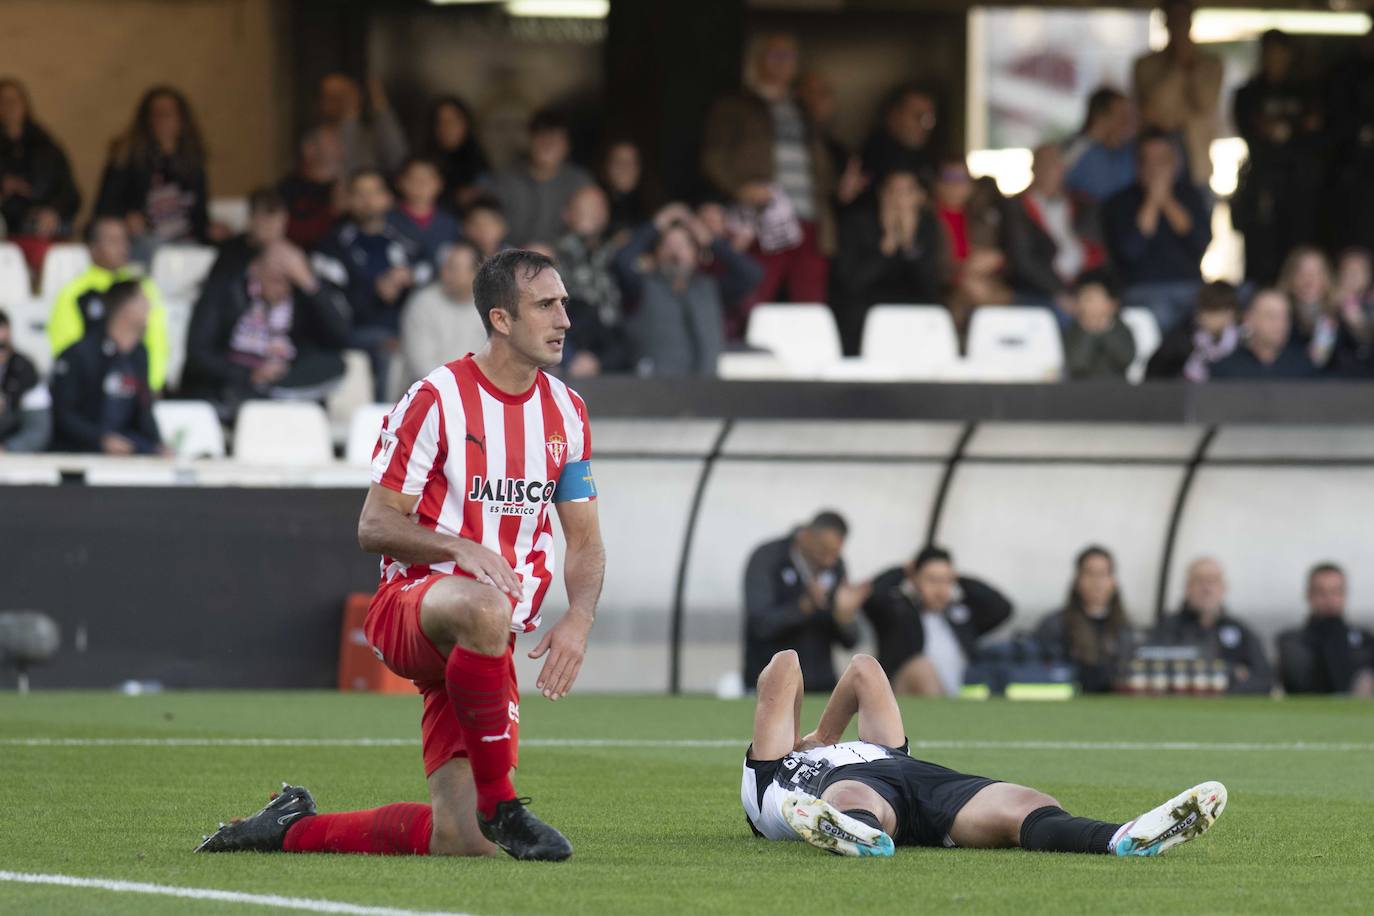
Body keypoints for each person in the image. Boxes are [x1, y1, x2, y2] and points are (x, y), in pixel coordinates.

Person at [197, 249, 605, 860]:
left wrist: (579, 617)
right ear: (500, 318)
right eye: (546, 305)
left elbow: (586, 539)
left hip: (485, 643)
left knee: (461, 842)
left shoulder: (566, 413)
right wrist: (456, 545)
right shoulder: (437, 398)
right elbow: (374, 523)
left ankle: (288, 828)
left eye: (564, 303)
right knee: (485, 605)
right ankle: (504, 804)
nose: (564, 319)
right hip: (411, 608)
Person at [743, 649, 1227, 858]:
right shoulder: (769, 770)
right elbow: (784, 667)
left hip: (916, 776)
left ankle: (1121, 838)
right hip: (844, 794)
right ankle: (856, 833)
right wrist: (804, 744)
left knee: (1024, 802)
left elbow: (864, 670)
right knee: (853, 794)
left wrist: (826, 733)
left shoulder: (874, 743)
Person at [700, 33, 835, 313]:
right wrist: (739, 189)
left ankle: (807, 357)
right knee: (754, 298)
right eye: (776, 55)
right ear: (758, 60)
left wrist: (835, 188)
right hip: (763, 219)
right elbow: (713, 156)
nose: (783, 63)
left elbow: (818, 161)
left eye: (789, 57)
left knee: (811, 305)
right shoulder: (735, 106)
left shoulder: (803, 109)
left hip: (808, 219)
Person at [181, 240, 350, 418]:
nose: (283, 289)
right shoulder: (224, 291)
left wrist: (310, 284)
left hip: (287, 389)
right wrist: (250, 374)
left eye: (289, 282)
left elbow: (341, 337)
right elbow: (198, 355)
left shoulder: (301, 298)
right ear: (256, 269)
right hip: (228, 391)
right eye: (276, 280)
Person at [312, 169, 433, 400]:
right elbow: (331, 306)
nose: (367, 200)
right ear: (348, 199)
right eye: (359, 193)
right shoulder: (333, 244)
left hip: (406, 329)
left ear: (387, 198)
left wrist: (407, 275)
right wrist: (374, 291)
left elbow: (432, 268)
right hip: (354, 332)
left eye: (374, 192)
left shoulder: (405, 238)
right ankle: (383, 426)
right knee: (386, 347)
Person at [613, 202, 763, 377]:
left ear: (696, 253)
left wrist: (710, 239)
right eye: (668, 244)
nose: (675, 251)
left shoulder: (712, 288)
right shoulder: (642, 286)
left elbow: (752, 275)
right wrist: (657, 224)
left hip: (705, 391)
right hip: (654, 391)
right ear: (657, 252)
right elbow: (621, 261)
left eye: (683, 245)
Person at [1231, 30, 1323, 287]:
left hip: (1298, 183)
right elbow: (1252, 130)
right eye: (1268, 52)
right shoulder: (1249, 93)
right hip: (1262, 183)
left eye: (1279, 53)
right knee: (1261, 253)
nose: (1274, 58)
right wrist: (1290, 128)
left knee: (1296, 249)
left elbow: (1315, 130)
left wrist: (1287, 130)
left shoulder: (1305, 91)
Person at [741, 511, 869, 695]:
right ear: (806, 536)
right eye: (823, 551)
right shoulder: (768, 558)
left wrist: (845, 618)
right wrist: (804, 606)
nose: (829, 560)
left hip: (821, 686)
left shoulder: (835, 566)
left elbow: (850, 642)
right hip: (770, 685)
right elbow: (761, 625)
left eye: (834, 554)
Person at [861, 546, 1012, 696]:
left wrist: (960, 579)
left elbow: (1002, 608)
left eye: (947, 580)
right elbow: (870, 598)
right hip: (903, 698)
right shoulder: (899, 613)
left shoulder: (959, 618)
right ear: (915, 579)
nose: (940, 589)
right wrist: (902, 571)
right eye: (932, 580)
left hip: (957, 698)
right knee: (921, 668)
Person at [1102, 130, 1211, 333]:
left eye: (1162, 160)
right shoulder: (1119, 202)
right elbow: (1130, 251)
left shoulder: (1191, 195)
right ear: (1138, 165)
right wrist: (1152, 201)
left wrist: (1167, 201)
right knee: (1160, 320)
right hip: (1142, 289)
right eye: (1148, 161)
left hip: (1190, 287)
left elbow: (1200, 244)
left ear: (1175, 162)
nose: (1155, 168)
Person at [831, 169, 948, 354]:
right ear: (881, 195)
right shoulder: (857, 223)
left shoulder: (928, 226)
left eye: (906, 192)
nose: (898, 200)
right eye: (892, 192)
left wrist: (910, 245)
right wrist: (886, 247)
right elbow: (850, 285)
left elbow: (931, 288)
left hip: (913, 312)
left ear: (919, 197)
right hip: (865, 314)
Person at [47, 216, 169, 392]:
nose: (123, 247)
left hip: (137, 390)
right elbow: (65, 345)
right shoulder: (73, 292)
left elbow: (157, 340)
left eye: (124, 240)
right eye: (113, 241)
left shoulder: (143, 288)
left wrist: (152, 385)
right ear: (93, 248)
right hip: (90, 394)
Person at [94, 86, 211, 261]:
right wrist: (126, 219)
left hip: (186, 240)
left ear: (181, 120)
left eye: (169, 114)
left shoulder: (191, 160)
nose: (162, 120)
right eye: (157, 114)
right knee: (154, 251)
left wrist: (211, 229)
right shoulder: (126, 157)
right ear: (146, 120)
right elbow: (104, 209)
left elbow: (199, 215)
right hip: (144, 240)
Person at [49, 280, 164, 455]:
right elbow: (63, 414)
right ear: (126, 307)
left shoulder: (139, 354)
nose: (149, 305)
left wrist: (157, 445)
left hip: (127, 448)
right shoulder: (79, 354)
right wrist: (100, 439)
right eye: (142, 298)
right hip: (81, 451)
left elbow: (143, 409)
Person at [1003, 143, 1107, 315]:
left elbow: (1099, 252)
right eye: (1045, 163)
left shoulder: (1083, 205)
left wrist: (1098, 290)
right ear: (1034, 168)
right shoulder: (1017, 207)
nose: (1051, 169)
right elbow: (1023, 260)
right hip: (1038, 290)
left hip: (1083, 285)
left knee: (1102, 312)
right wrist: (1058, 292)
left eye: (1056, 163)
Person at [1132, 0, 1223, 191]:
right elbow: (1150, 110)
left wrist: (1191, 67)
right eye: (1174, 19)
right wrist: (1177, 66)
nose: (1179, 26)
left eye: (1183, 19)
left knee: (1198, 215)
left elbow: (1205, 104)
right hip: (1156, 157)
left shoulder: (1210, 64)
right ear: (1165, 22)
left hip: (1196, 159)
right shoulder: (1146, 65)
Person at [1150, 557, 1273, 694]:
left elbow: (1265, 679)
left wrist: (1228, 691)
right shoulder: (1167, 627)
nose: (1207, 588)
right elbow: (1156, 670)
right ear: (1187, 587)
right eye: (1199, 581)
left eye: (1213, 581)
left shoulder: (1241, 631)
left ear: (1224, 588)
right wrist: (1230, 672)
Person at [482, 109, 593, 247]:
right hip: (511, 258)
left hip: (563, 261)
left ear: (567, 146)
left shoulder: (580, 182)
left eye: (555, 140)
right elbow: (486, 222)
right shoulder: (506, 179)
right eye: (542, 138)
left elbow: (590, 232)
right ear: (530, 140)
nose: (548, 145)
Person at [0, 77, 81, 263]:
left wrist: (53, 211)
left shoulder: (47, 146)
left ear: (25, 104)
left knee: (65, 256)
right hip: (8, 226)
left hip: (44, 226)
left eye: (15, 100)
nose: (10, 106)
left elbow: (71, 193)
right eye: (3, 100)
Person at [1035, 546, 1136, 693]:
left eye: (1103, 574)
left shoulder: (1126, 628)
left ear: (1113, 581)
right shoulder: (1056, 625)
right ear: (1077, 580)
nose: (1097, 582)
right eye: (1090, 574)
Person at [555, 185, 629, 377]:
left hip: (610, 341)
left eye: (598, 209)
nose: (592, 215)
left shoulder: (613, 254)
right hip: (568, 336)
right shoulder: (553, 253)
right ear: (567, 214)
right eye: (584, 209)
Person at [1276, 564, 1374, 697]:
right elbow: (1300, 682)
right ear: (1309, 595)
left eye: (1336, 592)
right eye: (1321, 592)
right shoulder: (1292, 640)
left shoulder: (1364, 638)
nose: (1329, 599)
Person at [399, 241, 487, 386]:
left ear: (476, 273)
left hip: (477, 394)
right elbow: (421, 365)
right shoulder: (422, 303)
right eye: (445, 266)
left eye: (454, 268)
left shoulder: (490, 307)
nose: (446, 273)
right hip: (427, 395)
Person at [1209, 288, 1317, 380]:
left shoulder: (1304, 369)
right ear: (1249, 319)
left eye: (1285, 317)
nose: (1280, 324)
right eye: (1271, 316)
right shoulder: (1225, 371)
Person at [1144, 280, 1240, 381]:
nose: (1206, 318)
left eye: (1225, 311)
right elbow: (1155, 371)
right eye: (1207, 311)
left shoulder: (1242, 342)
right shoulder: (1181, 340)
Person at [317, 74, 407, 176]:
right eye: (329, 96)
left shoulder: (371, 135)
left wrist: (380, 106)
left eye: (342, 94)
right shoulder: (316, 137)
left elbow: (398, 159)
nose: (340, 101)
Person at [1063, 87, 1137, 205]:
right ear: (1101, 118)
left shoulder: (1128, 154)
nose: (1127, 124)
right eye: (1121, 116)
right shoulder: (1077, 150)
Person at [388, 157, 462, 270]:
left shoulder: (450, 223)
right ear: (400, 182)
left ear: (439, 184)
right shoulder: (388, 221)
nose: (421, 184)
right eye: (414, 179)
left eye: (428, 178)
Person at [279, 125, 345, 250]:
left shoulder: (347, 188)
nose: (340, 149)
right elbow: (290, 233)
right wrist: (332, 212)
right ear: (309, 149)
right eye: (332, 143)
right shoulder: (289, 190)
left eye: (339, 142)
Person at [861, 84, 940, 187]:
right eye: (917, 116)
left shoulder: (929, 154)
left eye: (929, 117)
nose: (925, 124)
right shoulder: (877, 156)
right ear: (894, 115)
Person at [422, 95, 489, 214]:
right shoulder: (424, 162)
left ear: (465, 124)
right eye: (440, 122)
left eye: (453, 121)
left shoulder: (479, 160)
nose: (447, 127)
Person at [1061, 274, 1136, 381]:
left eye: (1095, 299)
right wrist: (1089, 331)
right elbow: (1076, 364)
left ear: (1111, 304)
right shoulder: (1073, 330)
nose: (1092, 305)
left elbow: (1126, 359)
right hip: (1082, 389)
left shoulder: (1120, 327)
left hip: (1118, 388)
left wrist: (1106, 329)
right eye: (1087, 299)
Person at [0, 308, 50, 452]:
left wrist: (8, 448)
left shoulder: (25, 371)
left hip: (11, 459)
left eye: (3, 346)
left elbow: (38, 430)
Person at [597, 139, 650, 241]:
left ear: (639, 169)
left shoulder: (652, 207)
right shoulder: (594, 203)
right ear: (607, 167)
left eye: (631, 162)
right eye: (619, 162)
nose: (625, 168)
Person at [932, 155, 973, 271]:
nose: (955, 185)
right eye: (948, 178)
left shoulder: (980, 215)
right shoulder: (928, 218)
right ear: (937, 183)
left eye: (961, 178)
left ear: (971, 185)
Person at [463, 196, 509, 260]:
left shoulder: (515, 260)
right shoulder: (460, 257)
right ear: (466, 228)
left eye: (489, 224)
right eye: (477, 225)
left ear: (503, 227)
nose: (483, 230)